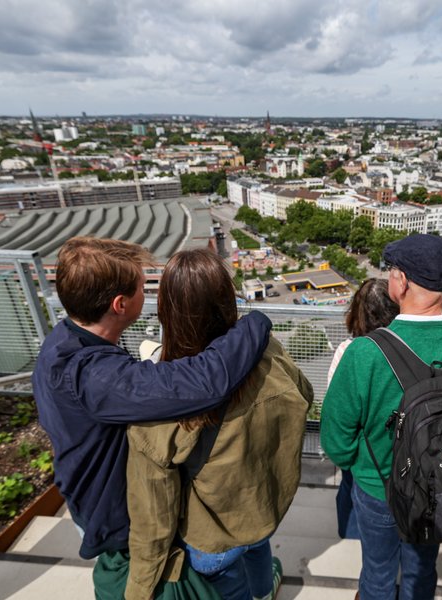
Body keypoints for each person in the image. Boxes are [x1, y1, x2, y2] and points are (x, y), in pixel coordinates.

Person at [32, 237, 272, 599]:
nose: (149, 293)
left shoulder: (62, 342)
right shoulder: (97, 377)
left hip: (85, 495)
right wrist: (256, 321)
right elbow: (206, 380)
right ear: (120, 304)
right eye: (143, 286)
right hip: (116, 516)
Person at [321, 234, 442, 600]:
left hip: (380, 489)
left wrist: (360, 467)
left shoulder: (365, 354)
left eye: (392, 270)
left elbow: (336, 440)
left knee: (377, 573)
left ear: (402, 281)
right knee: (421, 570)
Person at [125, 248, 313, 600]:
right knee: (258, 549)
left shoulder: (159, 399)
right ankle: (264, 591)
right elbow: (304, 394)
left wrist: (140, 587)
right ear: (227, 301)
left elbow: (154, 510)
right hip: (262, 508)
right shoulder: (267, 351)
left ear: (167, 311)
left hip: (213, 533)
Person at [326, 278, 398, 539]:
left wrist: (346, 457)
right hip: (400, 451)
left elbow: (337, 409)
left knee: (351, 491)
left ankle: (350, 534)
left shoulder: (348, 351)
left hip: (361, 454)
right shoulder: (407, 350)